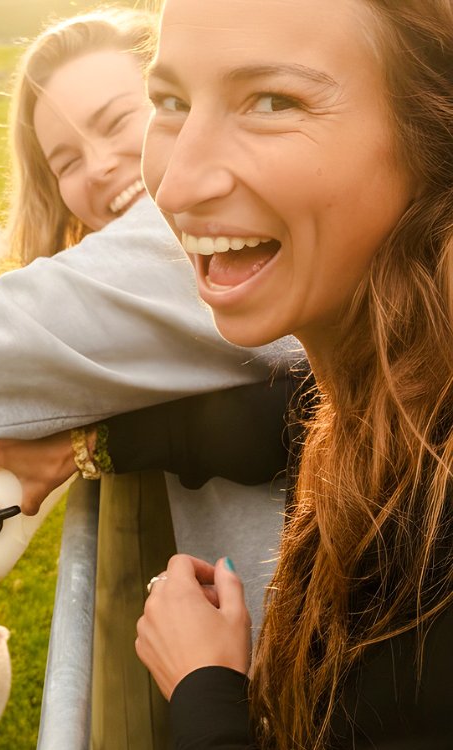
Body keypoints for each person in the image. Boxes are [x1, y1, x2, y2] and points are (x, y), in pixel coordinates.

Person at [0, 8, 299, 629]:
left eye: (118, 123)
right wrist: (90, 446)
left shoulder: (194, 232)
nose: (102, 164)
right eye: (67, 162)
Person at [134, 0, 453, 746]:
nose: (175, 186)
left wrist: (203, 689)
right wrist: (89, 446)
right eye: (171, 102)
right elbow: (283, 411)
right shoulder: (391, 384)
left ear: (432, 138)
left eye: (273, 101)